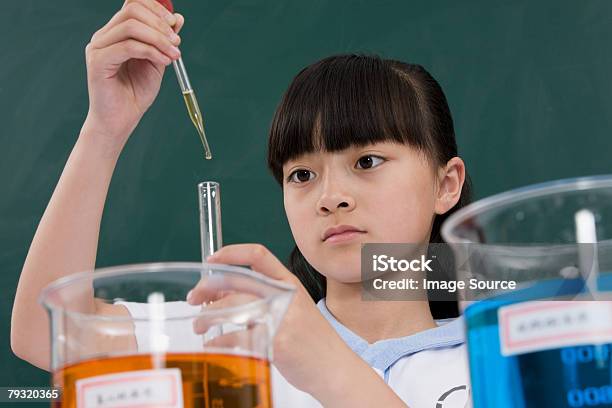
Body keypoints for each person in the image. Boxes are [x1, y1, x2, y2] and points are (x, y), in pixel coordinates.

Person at [11, 0, 472, 406]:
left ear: (445, 184)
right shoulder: (229, 335)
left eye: (368, 161)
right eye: (302, 175)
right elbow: (45, 333)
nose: (331, 198)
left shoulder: (502, 357)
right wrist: (104, 129)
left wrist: (331, 367)